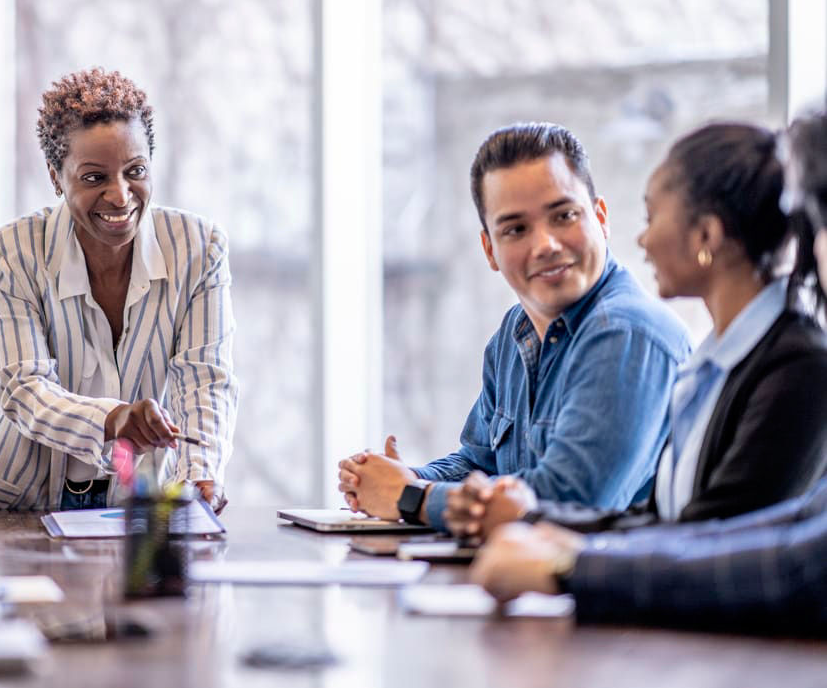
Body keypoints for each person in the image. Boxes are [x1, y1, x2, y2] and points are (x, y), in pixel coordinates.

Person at [471, 111, 827, 634]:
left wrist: (568, 563)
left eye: (652, 215)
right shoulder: (715, 364)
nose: (642, 241)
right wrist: (545, 530)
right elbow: (712, 527)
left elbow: (773, 559)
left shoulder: (797, 366)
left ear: (705, 234)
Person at [339, 123, 690, 531]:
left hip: (606, 587)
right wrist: (398, 480)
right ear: (490, 249)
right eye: (516, 229)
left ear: (600, 218)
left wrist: (410, 498)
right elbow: (478, 462)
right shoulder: (515, 332)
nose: (545, 244)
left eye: (564, 216)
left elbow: (567, 502)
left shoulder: (627, 334)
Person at [0, 68, 238, 512]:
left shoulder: (199, 249)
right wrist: (112, 419)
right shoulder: (12, 251)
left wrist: (199, 472)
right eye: (94, 178)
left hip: (134, 507)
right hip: (15, 507)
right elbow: (25, 387)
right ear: (56, 177)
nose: (121, 196)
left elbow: (204, 378)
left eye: (135, 171)